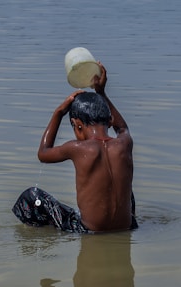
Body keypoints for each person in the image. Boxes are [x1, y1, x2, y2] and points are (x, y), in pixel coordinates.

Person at [12, 62, 137, 233]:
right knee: (125, 188)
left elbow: (43, 153)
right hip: (127, 227)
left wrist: (58, 112)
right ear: (109, 120)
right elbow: (122, 128)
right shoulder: (124, 143)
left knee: (31, 197)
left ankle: (39, 236)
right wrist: (101, 92)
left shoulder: (77, 147)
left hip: (88, 230)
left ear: (77, 125)